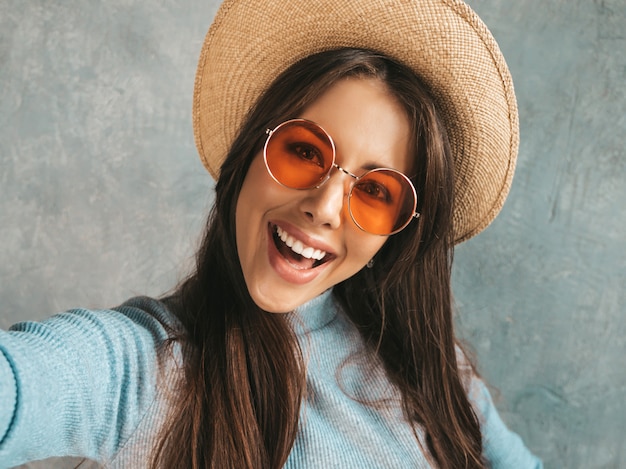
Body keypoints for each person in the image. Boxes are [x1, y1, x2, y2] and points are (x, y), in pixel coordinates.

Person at [0, 0, 543, 468]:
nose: (326, 208)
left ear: (394, 237)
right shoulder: (141, 368)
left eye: (375, 192)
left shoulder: (434, 370)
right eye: (305, 151)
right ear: (249, 155)